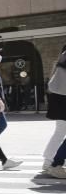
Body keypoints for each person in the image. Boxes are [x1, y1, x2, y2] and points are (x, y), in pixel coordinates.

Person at [42, 42, 66, 175]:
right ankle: (51, 161)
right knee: (60, 132)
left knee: (59, 132)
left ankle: (49, 160)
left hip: (59, 101)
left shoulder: (60, 60)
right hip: (63, 101)